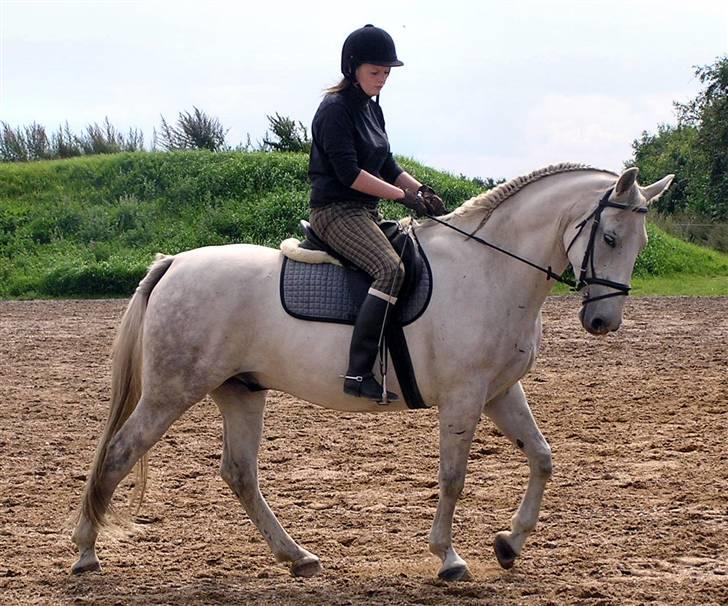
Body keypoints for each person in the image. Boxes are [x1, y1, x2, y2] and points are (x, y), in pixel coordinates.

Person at [308, 24, 446, 403]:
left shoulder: (372, 110)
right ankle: (357, 370)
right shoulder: (334, 110)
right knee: (390, 269)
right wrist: (403, 197)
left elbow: (387, 164)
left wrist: (422, 192)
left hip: (364, 212)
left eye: (386, 73)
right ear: (352, 67)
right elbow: (349, 174)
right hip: (335, 212)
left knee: (414, 253)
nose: (382, 79)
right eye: (375, 72)